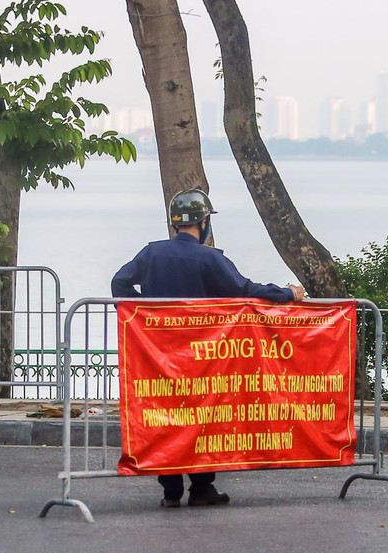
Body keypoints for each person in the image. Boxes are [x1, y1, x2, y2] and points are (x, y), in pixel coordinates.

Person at [111, 188, 303, 508]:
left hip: (158, 355)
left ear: (175, 223)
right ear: (203, 223)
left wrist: (142, 317)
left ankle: (170, 491)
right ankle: (201, 489)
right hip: (203, 358)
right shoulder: (211, 258)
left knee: (167, 417)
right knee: (202, 418)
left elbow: (120, 283)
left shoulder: (151, 254)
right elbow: (246, 290)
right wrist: (287, 293)